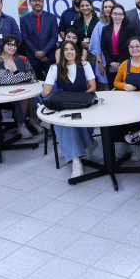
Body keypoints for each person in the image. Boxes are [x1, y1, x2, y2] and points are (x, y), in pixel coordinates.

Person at [42, 41, 97, 178]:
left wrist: (79, 100)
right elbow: (45, 92)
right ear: (62, 52)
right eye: (65, 49)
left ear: (77, 51)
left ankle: (87, 145)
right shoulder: (55, 68)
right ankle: (76, 161)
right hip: (63, 106)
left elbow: (92, 87)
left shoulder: (85, 65)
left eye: (72, 49)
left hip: (82, 105)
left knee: (81, 119)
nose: (69, 52)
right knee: (66, 125)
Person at [0, 35, 42, 139]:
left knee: (27, 96)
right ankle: (21, 124)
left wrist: (13, 75)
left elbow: (32, 76)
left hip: (25, 91)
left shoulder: (23, 59)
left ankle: (30, 121)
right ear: (2, 45)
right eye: (9, 44)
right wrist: (20, 77)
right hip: (4, 94)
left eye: (15, 45)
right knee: (24, 97)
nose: (12, 47)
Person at [101, 3, 140, 88]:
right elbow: (104, 48)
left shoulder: (130, 29)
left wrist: (119, 63)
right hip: (110, 62)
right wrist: (111, 63)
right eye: (115, 14)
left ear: (123, 16)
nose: (117, 16)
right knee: (112, 87)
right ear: (111, 15)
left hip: (124, 62)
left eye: (120, 14)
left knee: (124, 87)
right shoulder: (105, 29)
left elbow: (130, 47)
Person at [20, 0, 58, 80]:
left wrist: (44, 52)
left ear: (43, 3)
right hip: (33, 57)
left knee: (54, 83)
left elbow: (54, 37)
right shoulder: (24, 19)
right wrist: (37, 53)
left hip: (49, 57)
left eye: (40, 1)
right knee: (34, 83)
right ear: (29, 3)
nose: (37, 3)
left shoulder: (51, 17)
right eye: (34, 1)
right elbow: (25, 38)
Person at [89, 0, 117, 91]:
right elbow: (97, 46)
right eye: (105, 7)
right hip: (103, 61)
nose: (107, 9)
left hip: (118, 61)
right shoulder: (99, 25)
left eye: (110, 7)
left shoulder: (120, 24)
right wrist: (100, 62)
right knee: (107, 86)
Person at [73, 0, 103, 67]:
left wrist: (91, 45)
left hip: (95, 53)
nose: (85, 8)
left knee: (94, 73)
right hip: (81, 52)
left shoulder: (98, 21)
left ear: (91, 6)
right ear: (79, 8)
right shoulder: (77, 22)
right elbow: (73, 36)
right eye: (82, 6)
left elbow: (102, 37)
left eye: (87, 5)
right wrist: (79, 42)